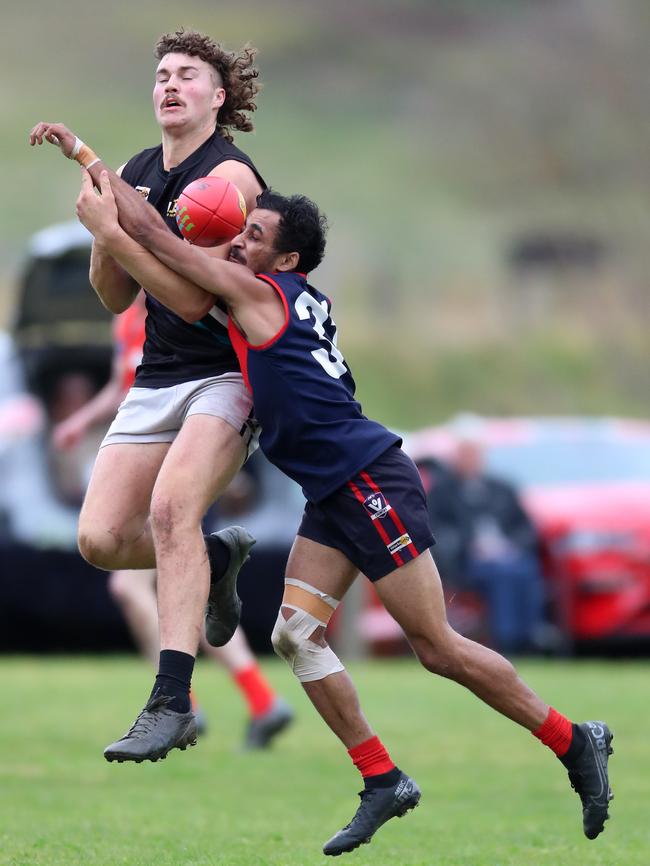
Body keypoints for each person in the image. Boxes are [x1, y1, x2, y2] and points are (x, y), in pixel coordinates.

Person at [32, 125, 613, 855]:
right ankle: (382, 780)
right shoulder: (268, 295)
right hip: (331, 493)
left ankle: (572, 740)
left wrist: (94, 178)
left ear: (287, 259)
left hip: (369, 480)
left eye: (254, 235)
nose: (238, 242)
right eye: (239, 232)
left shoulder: (260, 291)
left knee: (436, 646)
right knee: (293, 635)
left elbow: (166, 245)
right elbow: (179, 291)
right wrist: (118, 216)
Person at [28, 30, 284, 762]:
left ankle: (172, 701)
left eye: (188, 75)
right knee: (101, 540)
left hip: (227, 374)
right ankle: (213, 559)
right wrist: (104, 237)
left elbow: (194, 299)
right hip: (157, 378)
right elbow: (116, 298)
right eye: (163, 75)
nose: (170, 85)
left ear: (218, 95)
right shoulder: (138, 171)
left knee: (171, 510)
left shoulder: (228, 178)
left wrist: (122, 226)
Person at [52, 291, 293, 749]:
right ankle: (256, 698)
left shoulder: (192, 299)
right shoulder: (126, 317)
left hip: (190, 455)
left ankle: (187, 702)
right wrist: (81, 422)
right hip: (146, 448)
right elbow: (120, 386)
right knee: (175, 576)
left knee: (143, 584)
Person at [427, 431, 550, 654]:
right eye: (465, 454)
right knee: (501, 574)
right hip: (467, 563)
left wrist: (511, 546)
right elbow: (436, 530)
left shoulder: (502, 488)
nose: (470, 459)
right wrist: (469, 546)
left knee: (525, 570)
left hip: (508, 557)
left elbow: (525, 528)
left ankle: (530, 633)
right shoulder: (442, 492)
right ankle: (507, 640)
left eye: (474, 454)